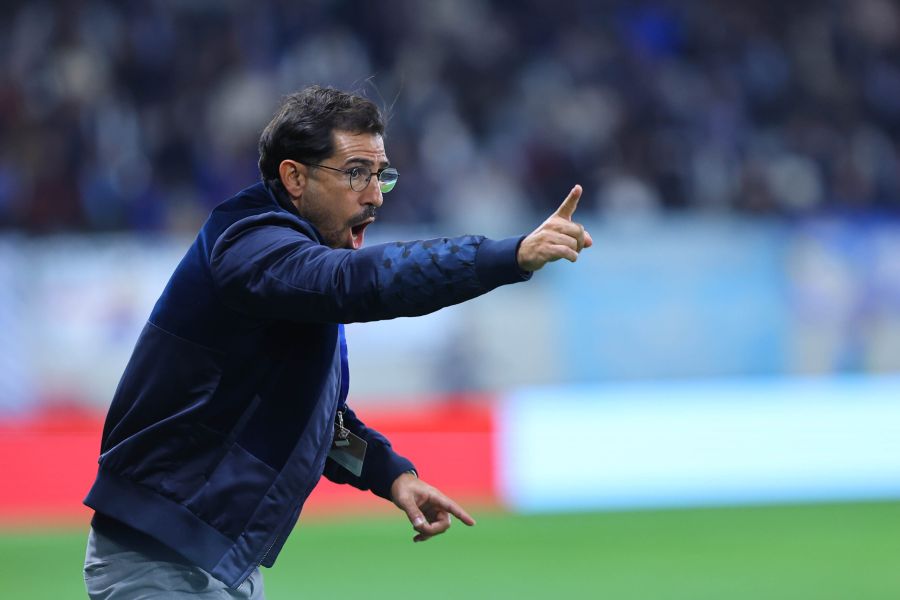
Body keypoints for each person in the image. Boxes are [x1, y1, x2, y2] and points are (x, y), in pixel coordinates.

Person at [82, 84, 592, 599]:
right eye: (355, 173)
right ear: (294, 177)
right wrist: (507, 256)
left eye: (380, 174)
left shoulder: (287, 268)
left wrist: (390, 475)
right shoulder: (249, 246)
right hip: (156, 558)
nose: (374, 195)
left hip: (210, 561)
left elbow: (316, 423)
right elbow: (362, 281)